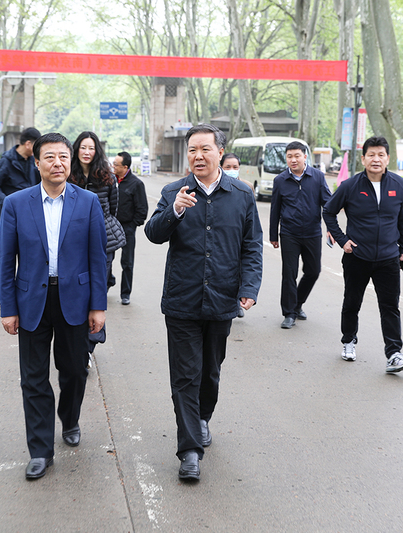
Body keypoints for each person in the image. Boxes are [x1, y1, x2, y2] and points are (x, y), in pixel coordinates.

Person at [145, 123, 263, 481]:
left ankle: (202, 418)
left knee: (210, 372)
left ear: (220, 153)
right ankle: (190, 450)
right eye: (192, 150)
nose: (198, 156)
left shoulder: (241, 195)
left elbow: (252, 245)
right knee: (185, 376)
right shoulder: (172, 192)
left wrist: (249, 286)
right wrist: (175, 211)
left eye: (205, 149)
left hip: (222, 298)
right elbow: (153, 234)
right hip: (182, 299)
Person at [0, 132, 107, 480]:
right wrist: (7, 307)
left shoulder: (88, 202)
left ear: (70, 161)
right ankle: (40, 450)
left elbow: (97, 257)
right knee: (33, 378)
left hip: (75, 298)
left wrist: (98, 306)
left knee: (74, 371)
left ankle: (70, 418)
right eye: (50, 157)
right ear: (37, 161)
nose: (57, 163)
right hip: (32, 300)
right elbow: (6, 259)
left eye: (63, 157)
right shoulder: (16, 203)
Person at [322, 136, 403, 373]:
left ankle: (394, 353)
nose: (376, 159)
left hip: (388, 258)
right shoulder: (350, 186)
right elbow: (329, 212)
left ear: (388, 158)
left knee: (390, 306)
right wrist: (343, 241)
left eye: (380, 155)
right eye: (371, 155)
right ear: (363, 159)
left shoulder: (399, 185)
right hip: (357, 257)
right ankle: (348, 341)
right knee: (352, 301)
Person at [269, 141, 332, 329]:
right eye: (289, 156)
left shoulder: (318, 177)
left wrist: (331, 228)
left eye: (297, 155)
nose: (293, 159)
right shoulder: (280, 180)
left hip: (312, 232)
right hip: (289, 233)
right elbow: (275, 209)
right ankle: (289, 313)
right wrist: (274, 234)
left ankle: (297, 304)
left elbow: (328, 204)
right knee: (289, 273)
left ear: (305, 157)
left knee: (313, 271)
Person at [0, 127, 41, 303]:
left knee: (29, 250)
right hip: (9, 215)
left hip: (29, 213)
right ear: (28, 144)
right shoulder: (7, 160)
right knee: (3, 251)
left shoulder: (32, 161)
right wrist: (8, 204)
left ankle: (24, 288)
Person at [70, 132, 126, 292]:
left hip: (103, 235)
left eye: (91, 148)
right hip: (75, 234)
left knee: (99, 279)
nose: (86, 152)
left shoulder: (107, 176)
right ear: (76, 149)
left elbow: (113, 207)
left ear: (97, 151)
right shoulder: (68, 176)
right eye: (83, 148)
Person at [111, 151, 148, 305]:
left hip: (127, 228)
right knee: (105, 259)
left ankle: (125, 293)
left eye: (116, 165)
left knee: (127, 263)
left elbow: (142, 210)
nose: (113, 167)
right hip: (111, 226)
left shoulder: (136, 184)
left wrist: (133, 225)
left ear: (125, 167)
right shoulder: (111, 181)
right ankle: (107, 283)